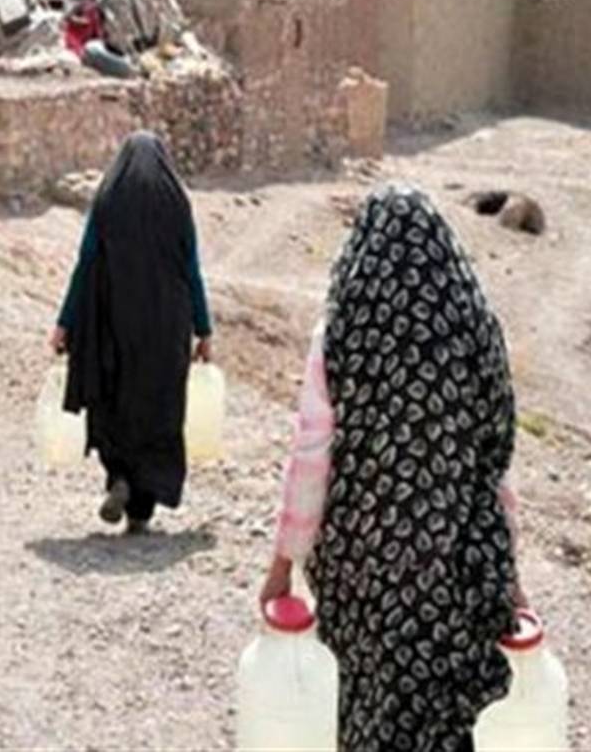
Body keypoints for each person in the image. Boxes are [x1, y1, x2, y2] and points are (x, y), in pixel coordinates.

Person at [258, 184, 527, 752]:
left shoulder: (343, 329)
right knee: (449, 716)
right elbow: (494, 457)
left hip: (361, 565)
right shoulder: (477, 329)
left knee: (370, 707)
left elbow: (312, 455)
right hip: (457, 560)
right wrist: (511, 577)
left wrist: (283, 564)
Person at [52, 131, 213, 534]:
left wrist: (65, 321)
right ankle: (141, 508)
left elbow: (86, 261)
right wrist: (204, 328)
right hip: (167, 327)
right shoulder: (176, 202)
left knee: (114, 402)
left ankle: (119, 477)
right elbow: (191, 268)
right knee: (159, 409)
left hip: (113, 323)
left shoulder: (108, 200)